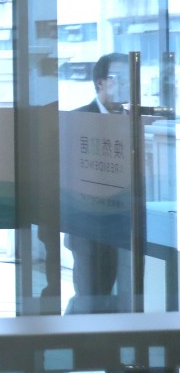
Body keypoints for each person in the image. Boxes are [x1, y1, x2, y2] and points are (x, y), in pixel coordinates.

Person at [66, 52, 129, 316]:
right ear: (101, 82)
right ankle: (78, 344)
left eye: (131, 78)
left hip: (125, 223)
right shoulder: (77, 119)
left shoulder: (134, 122)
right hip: (87, 224)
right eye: (120, 78)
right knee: (91, 293)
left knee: (121, 295)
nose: (127, 84)